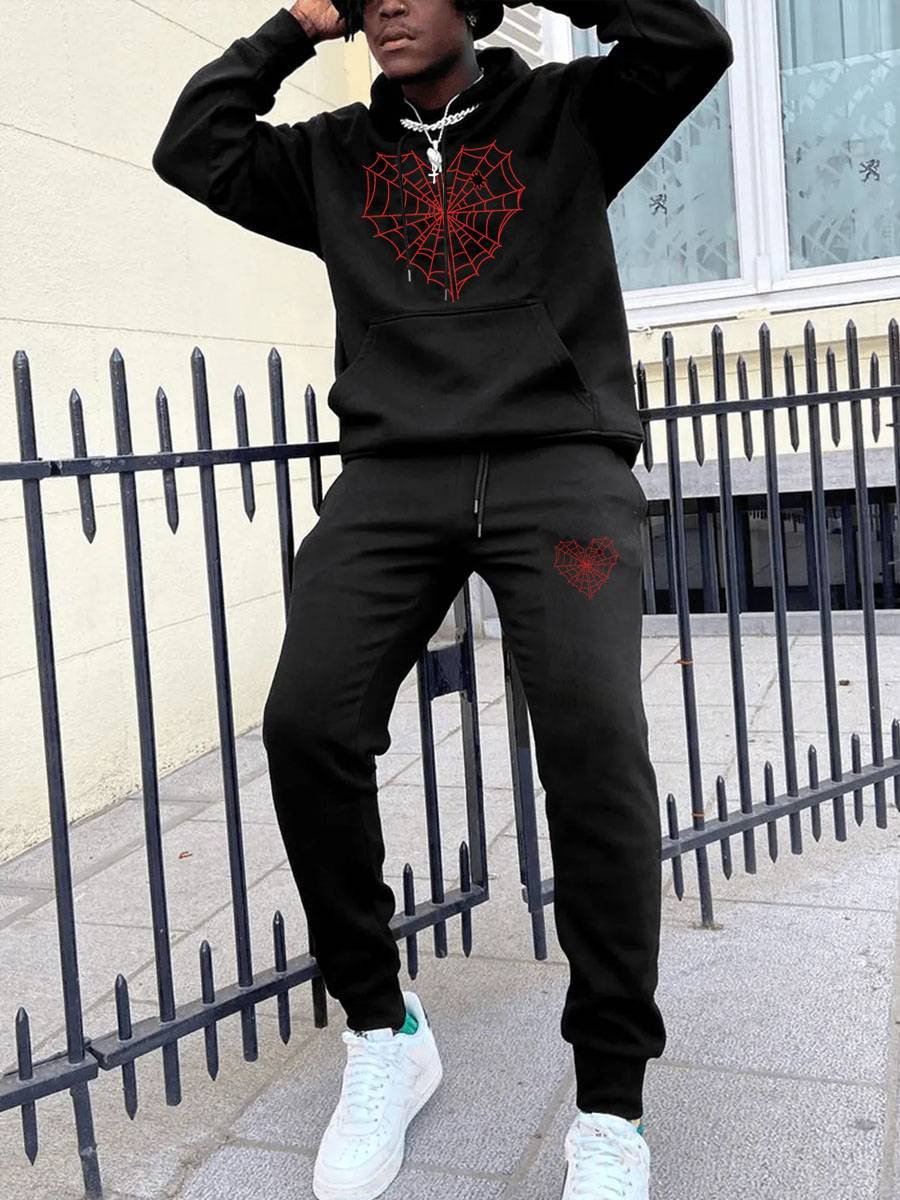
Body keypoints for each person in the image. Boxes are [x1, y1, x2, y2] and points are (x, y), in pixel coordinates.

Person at [152, 1, 732, 1196]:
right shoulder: (329, 156)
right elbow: (194, 146)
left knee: (595, 741)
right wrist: (294, 26)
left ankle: (610, 1107)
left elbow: (694, 43)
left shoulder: (569, 115)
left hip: (559, 471)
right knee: (307, 722)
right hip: (395, 478)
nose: (388, 5)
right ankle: (384, 1028)